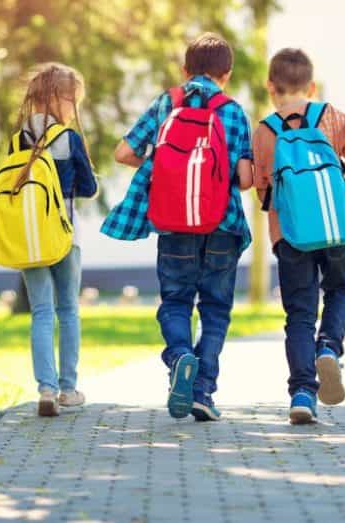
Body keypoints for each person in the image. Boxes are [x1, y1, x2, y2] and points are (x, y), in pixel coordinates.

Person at [105, 32, 254, 421]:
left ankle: (179, 357)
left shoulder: (165, 103)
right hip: (222, 224)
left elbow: (124, 153)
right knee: (216, 310)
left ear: (185, 70)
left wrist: (167, 168)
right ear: (228, 74)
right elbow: (245, 178)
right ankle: (203, 390)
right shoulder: (233, 111)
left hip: (174, 224)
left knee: (175, 302)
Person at [253, 48, 345, 424]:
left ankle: (303, 393)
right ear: (312, 85)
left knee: (300, 313)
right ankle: (330, 347)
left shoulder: (266, 130)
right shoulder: (332, 117)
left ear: (270, 87)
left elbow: (261, 189)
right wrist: (340, 171)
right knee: (339, 291)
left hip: (291, 233)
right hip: (338, 226)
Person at [14, 63, 98, 417]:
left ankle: (45, 389)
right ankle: (68, 388)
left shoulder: (19, 139)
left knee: (41, 312)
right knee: (68, 309)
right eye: (72, 100)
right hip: (64, 235)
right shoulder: (69, 138)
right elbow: (90, 188)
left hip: (29, 238)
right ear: (60, 100)